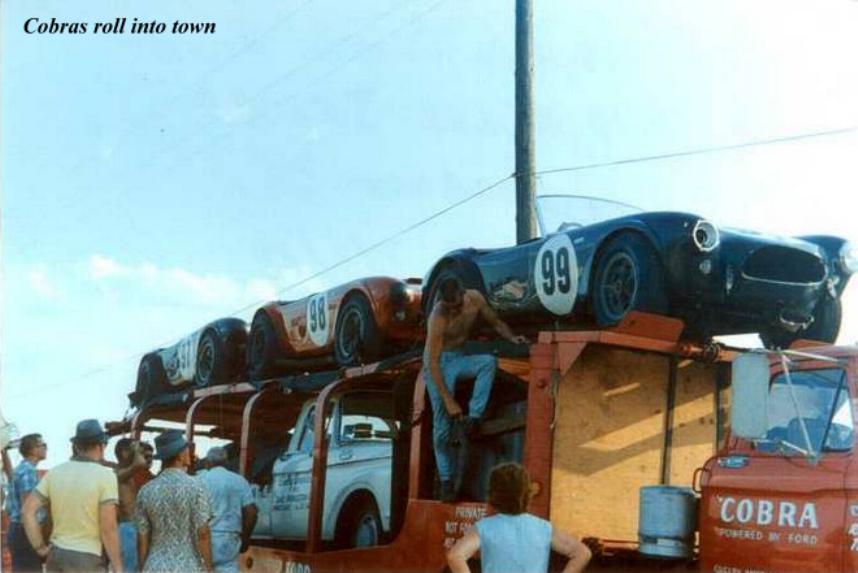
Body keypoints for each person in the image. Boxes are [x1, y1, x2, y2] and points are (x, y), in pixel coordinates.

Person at [424, 276, 527, 500]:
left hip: (459, 357)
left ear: (463, 294)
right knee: (441, 430)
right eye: (448, 307)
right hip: (438, 363)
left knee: (487, 362)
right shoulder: (438, 316)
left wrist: (512, 337)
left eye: (457, 306)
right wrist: (449, 401)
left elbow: (495, 320)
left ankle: (474, 416)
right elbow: (431, 362)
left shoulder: (475, 298)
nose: (453, 311)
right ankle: (446, 482)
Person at [447, 463, 591, 573]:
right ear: (526, 494)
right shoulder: (544, 528)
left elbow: (455, 556)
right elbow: (582, 553)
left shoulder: (484, 527)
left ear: (493, 494)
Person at [22, 420, 123, 573]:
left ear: (76, 446)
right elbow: (108, 528)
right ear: (101, 446)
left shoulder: (55, 473)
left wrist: (40, 547)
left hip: (56, 556)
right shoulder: (105, 476)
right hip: (87, 559)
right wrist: (118, 567)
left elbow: (27, 511)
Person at [135, 429, 213, 573]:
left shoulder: (145, 491)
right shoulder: (197, 487)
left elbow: (142, 537)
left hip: (155, 566)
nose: (189, 451)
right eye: (186, 448)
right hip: (188, 566)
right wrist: (209, 569)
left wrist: (141, 568)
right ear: (179, 454)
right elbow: (203, 534)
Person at [197, 447, 257, 573]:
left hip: (204, 538)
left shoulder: (200, 480)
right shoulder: (239, 481)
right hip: (230, 538)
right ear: (227, 462)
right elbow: (251, 512)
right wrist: (245, 539)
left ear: (208, 463)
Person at [7, 433, 48, 572]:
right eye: (42, 445)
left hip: (18, 530)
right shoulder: (28, 472)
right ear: (33, 450)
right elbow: (28, 510)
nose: (45, 448)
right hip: (25, 533)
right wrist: (39, 544)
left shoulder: (20, 469)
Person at [115, 438, 150, 572]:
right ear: (124, 453)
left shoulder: (125, 473)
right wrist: (136, 449)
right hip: (126, 528)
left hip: (133, 527)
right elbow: (140, 463)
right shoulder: (120, 473)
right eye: (133, 449)